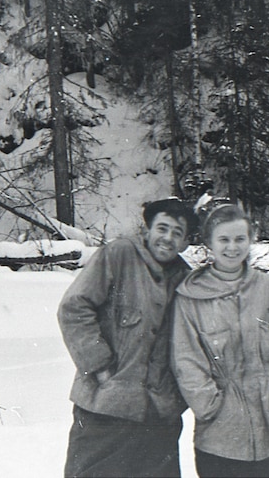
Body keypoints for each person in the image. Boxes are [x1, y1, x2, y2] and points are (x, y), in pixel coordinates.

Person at [57, 198, 199, 478]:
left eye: (177, 233)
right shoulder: (119, 254)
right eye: (162, 228)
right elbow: (74, 308)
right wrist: (100, 368)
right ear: (147, 229)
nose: (167, 238)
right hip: (105, 409)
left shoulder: (185, 279)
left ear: (184, 242)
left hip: (159, 417)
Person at [171, 204, 269, 478]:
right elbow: (186, 361)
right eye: (223, 239)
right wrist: (211, 407)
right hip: (222, 433)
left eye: (240, 239)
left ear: (251, 239)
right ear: (209, 242)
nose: (232, 247)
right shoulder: (190, 297)